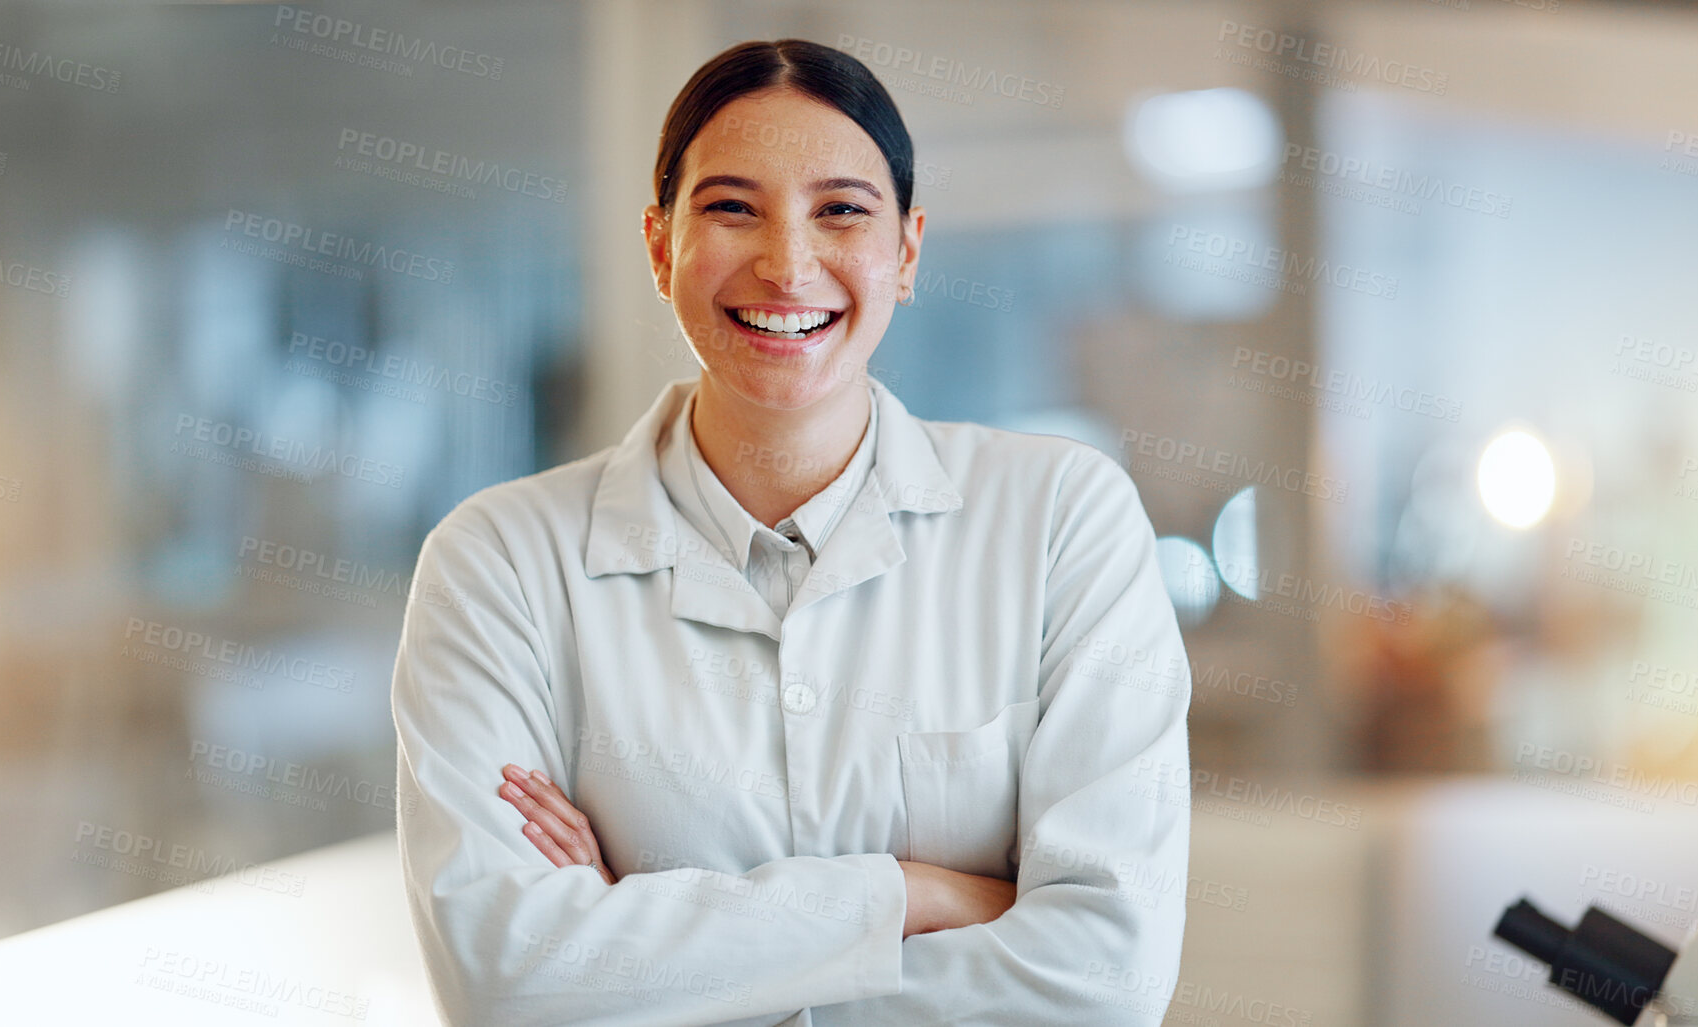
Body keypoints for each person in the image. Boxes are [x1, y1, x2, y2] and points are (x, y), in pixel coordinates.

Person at [391, 37, 1193, 1026]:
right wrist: (916, 893)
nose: (786, 263)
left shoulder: (1064, 519)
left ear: (904, 253)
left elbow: (1105, 980)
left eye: (842, 211)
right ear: (657, 245)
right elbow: (507, 984)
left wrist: (637, 959)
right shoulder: (502, 562)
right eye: (732, 207)